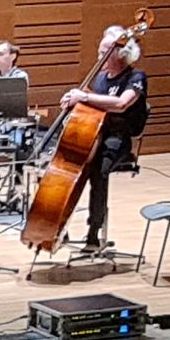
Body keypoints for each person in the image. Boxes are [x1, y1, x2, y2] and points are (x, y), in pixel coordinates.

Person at [60, 25, 148, 251]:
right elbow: (91, 104)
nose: (99, 57)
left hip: (117, 140)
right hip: (95, 135)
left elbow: (121, 104)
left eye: (104, 53)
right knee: (69, 167)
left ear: (120, 54)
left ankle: (93, 233)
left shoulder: (135, 77)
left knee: (98, 172)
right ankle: (60, 224)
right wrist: (74, 100)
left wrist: (85, 97)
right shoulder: (100, 78)